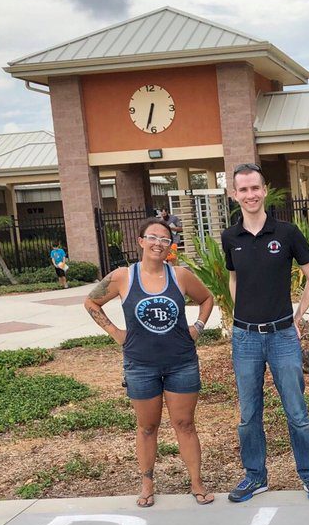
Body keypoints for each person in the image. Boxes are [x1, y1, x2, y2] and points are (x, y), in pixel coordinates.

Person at [83, 217, 216, 507]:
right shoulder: (122, 277)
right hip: (140, 365)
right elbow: (91, 302)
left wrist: (198, 328)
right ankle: (146, 485)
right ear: (141, 241)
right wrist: (116, 333)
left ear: (171, 246)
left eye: (165, 239)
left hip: (181, 362)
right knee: (146, 427)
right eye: (153, 237)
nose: (158, 243)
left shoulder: (180, 275)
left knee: (185, 424)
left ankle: (196, 483)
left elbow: (207, 299)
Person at [222, 162, 309, 502]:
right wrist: (241, 314)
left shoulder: (287, 233)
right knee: (248, 414)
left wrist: (298, 316)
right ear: (234, 194)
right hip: (245, 338)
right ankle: (255, 476)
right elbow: (234, 277)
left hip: (283, 335)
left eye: (255, 188)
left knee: (296, 412)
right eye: (244, 189)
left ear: (264, 190)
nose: (250, 194)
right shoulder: (230, 237)